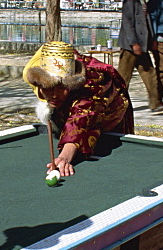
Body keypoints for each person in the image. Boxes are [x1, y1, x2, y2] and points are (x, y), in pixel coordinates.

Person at [23, 41, 133, 177]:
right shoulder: (35, 69)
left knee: (111, 152)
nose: (54, 95)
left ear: (70, 83)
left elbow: (80, 120)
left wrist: (64, 157)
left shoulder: (91, 85)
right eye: (48, 88)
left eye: (61, 88)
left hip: (110, 113)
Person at [117, 0, 163, 114]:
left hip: (143, 46)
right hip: (130, 47)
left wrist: (152, 41)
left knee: (150, 74)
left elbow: (147, 23)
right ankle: (115, 105)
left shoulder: (143, 1)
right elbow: (128, 24)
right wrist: (134, 43)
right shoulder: (130, 0)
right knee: (123, 78)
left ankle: (155, 103)